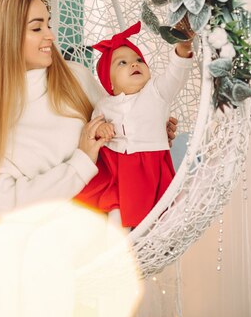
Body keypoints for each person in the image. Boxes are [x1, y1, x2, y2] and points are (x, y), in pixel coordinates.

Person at [0, 0, 178, 223]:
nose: (50, 35)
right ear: (6, 37)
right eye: (37, 28)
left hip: (113, 224)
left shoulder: (75, 76)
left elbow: (120, 130)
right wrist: (81, 162)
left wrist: (148, 133)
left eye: (48, 24)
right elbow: (10, 204)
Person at [74, 21, 194, 227]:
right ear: (109, 83)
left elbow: (175, 76)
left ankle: (141, 235)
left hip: (149, 164)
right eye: (122, 63)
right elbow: (94, 129)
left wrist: (182, 49)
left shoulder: (156, 92)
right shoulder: (105, 104)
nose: (134, 64)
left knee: (152, 208)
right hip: (116, 166)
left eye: (139, 59)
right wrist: (101, 129)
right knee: (115, 204)